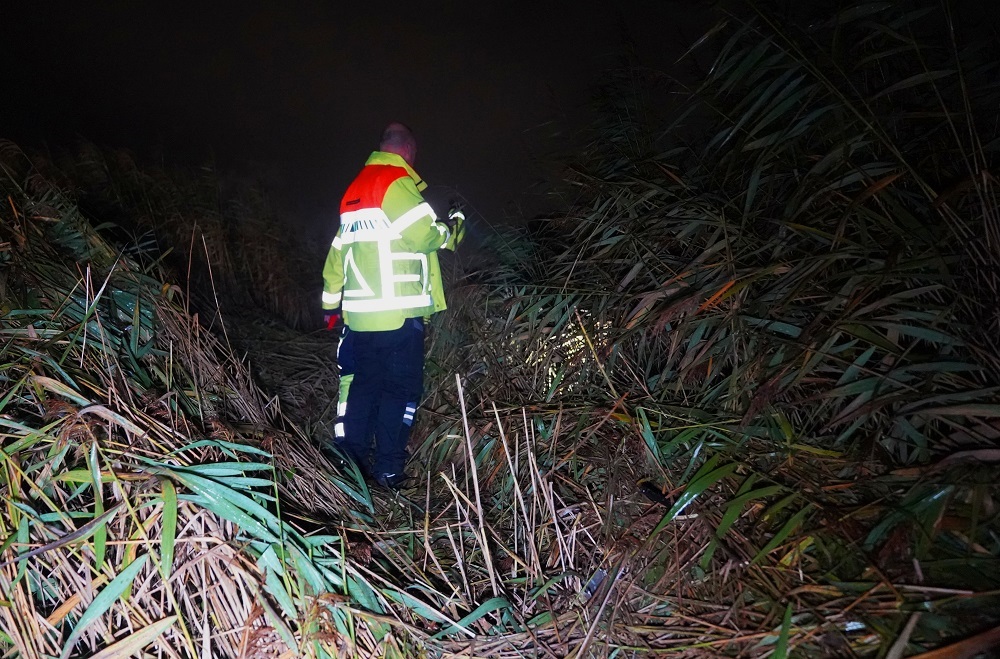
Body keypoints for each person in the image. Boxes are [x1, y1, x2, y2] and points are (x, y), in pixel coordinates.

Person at [321, 122, 465, 489]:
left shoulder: (352, 191)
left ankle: (351, 470)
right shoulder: (395, 184)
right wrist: (453, 228)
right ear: (408, 151)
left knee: (364, 390)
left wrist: (329, 306)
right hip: (399, 317)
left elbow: (337, 255)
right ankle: (388, 472)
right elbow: (425, 236)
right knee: (398, 394)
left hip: (361, 320)